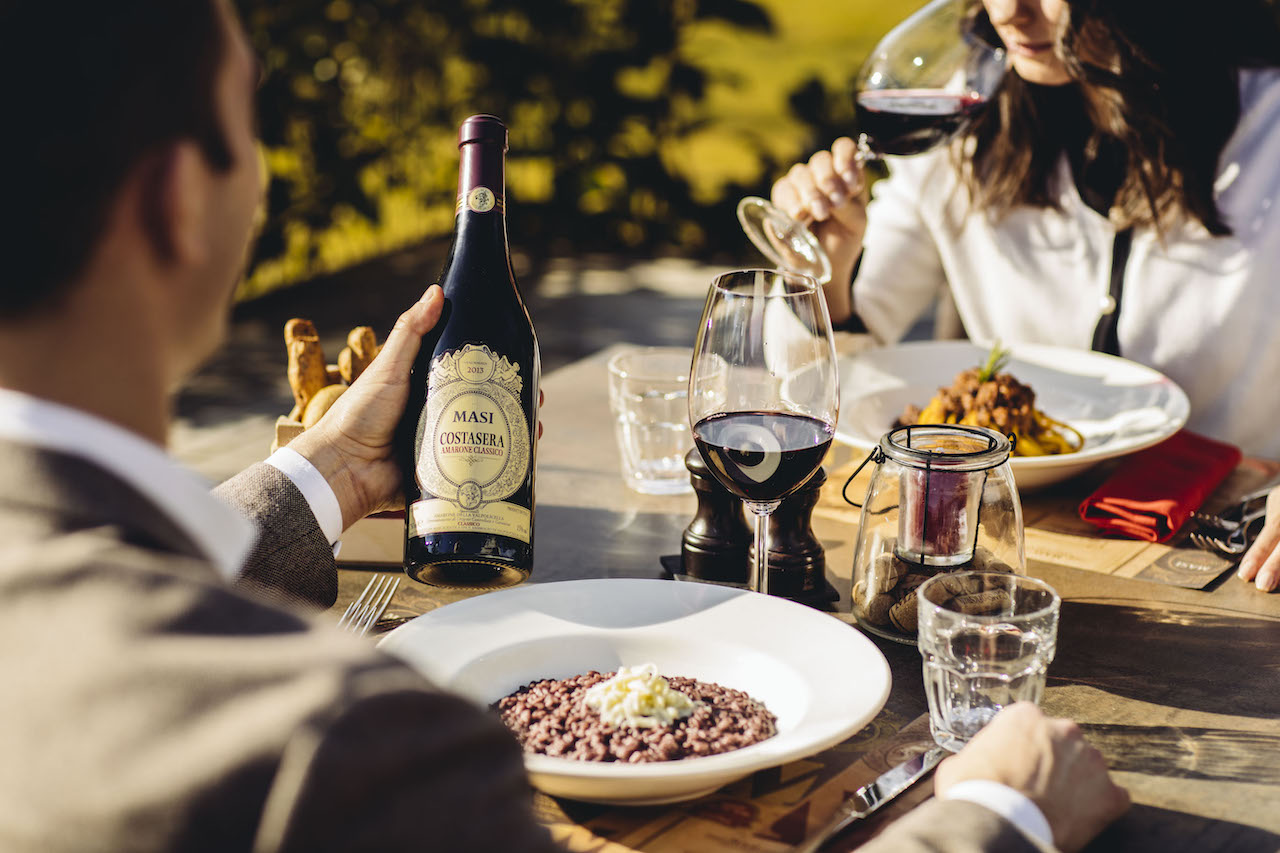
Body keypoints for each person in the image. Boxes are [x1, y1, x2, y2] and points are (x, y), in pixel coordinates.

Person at [0, 1, 1125, 850]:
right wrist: (994, 812)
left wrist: (334, 469)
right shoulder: (345, 748)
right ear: (175, 204)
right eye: (249, 120)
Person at [773, 0, 1280, 464]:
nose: (1010, 12)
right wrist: (823, 276)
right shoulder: (960, 127)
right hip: (1010, 524)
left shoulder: (1269, 128)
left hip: (1232, 527)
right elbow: (824, 388)